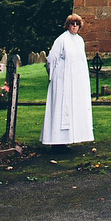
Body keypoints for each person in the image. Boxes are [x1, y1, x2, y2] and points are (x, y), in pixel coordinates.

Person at [40, 13, 95, 148]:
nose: (74, 26)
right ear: (68, 25)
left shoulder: (79, 40)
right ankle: (56, 143)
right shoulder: (61, 40)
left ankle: (68, 139)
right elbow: (52, 59)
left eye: (77, 24)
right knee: (60, 107)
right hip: (62, 80)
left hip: (75, 81)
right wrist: (53, 76)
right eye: (72, 24)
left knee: (73, 108)